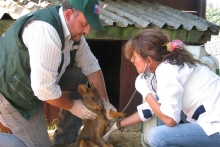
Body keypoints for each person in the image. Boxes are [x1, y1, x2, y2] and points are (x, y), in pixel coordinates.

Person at [0, 0, 117, 146]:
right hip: (11, 90)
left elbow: (91, 66)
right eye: (84, 24)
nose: (88, 31)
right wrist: (73, 106)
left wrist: (105, 102)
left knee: (77, 77)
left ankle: (64, 142)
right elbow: (44, 90)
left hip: (33, 82)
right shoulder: (46, 32)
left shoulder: (74, 35)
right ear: (69, 15)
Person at [103, 28, 220, 147]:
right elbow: (151, 109)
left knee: (158, 136)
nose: (131, 60)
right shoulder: (170, 65)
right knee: (161, 115)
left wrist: (146, 92)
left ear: (148, 60)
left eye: (134, 56)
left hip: (215, 127)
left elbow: (169, 119)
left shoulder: (167, 70)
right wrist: (116, 126)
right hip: (210, 124)